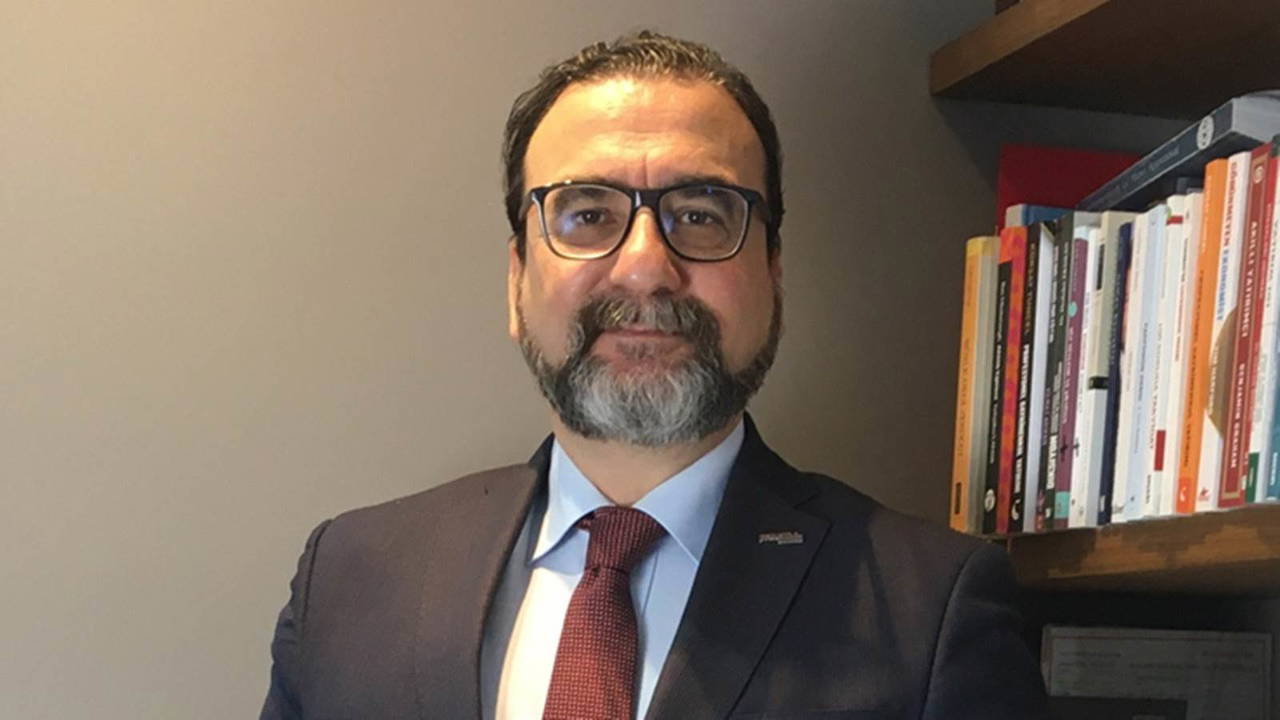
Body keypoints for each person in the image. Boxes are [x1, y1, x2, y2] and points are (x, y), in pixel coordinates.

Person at [260, 31, 1049, 720]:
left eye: (701, 215)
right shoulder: (349, 579)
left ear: (773, 273)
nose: (644, 267)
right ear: (516, 278)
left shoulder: (933, 606)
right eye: (588, 215)